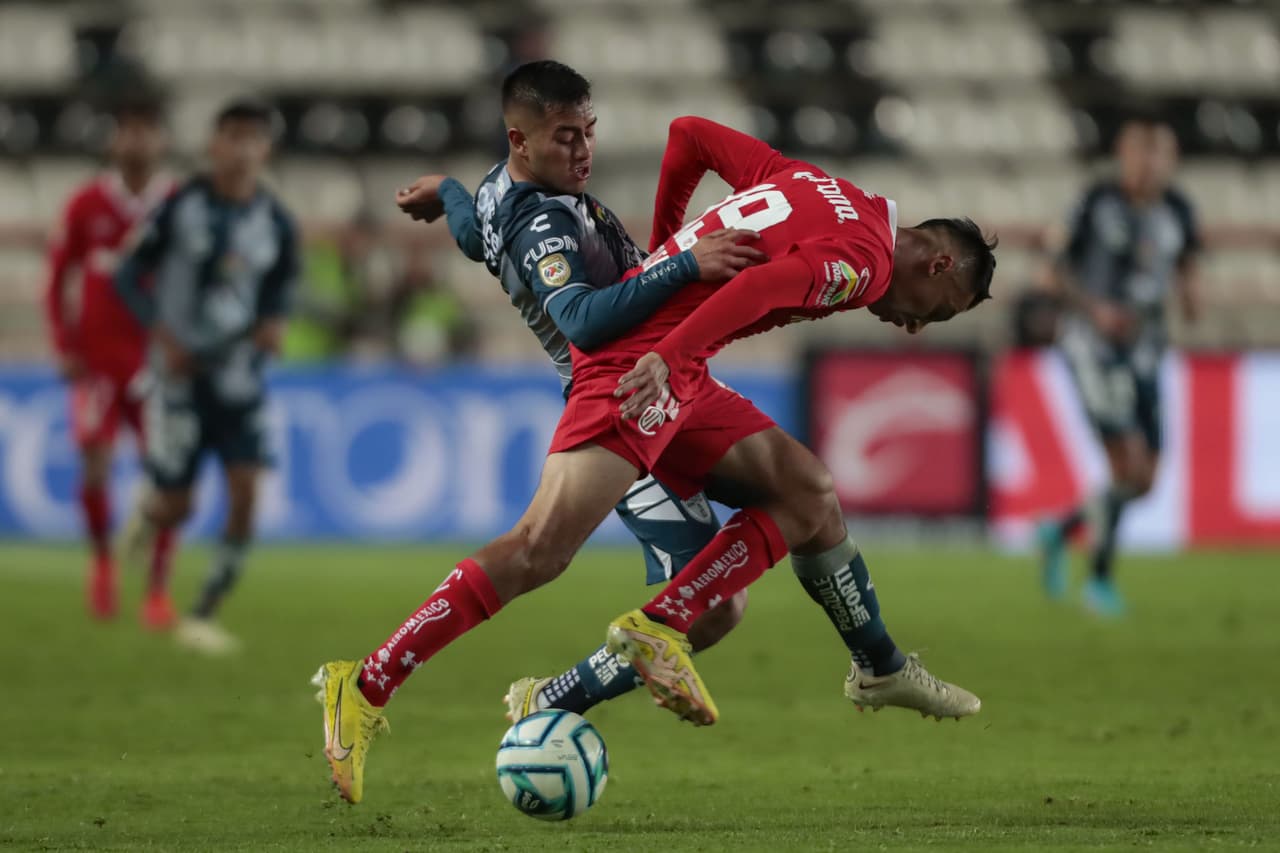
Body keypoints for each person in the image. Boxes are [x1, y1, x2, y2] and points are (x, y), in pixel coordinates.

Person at [315, 107, 994, 805]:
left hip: (675, 364)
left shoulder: (821, 187)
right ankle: (364, 683)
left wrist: (664, 251)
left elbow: (690, 133)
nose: (919, 326)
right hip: (641, 367)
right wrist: (670, 352)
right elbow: (758, 286)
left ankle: (869, 663)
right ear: (938, 264)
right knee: (538, 549)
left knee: (804, 493)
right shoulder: (865, 263)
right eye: (938, 310)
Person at [393, 60, 768, 726]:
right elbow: (582, 320)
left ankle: (544, 696)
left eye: (589, 131)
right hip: (620, 406)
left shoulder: (499, 189)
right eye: (566, 136)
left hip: (658, 393)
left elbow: (473, 236)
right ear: (520, 140)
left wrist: (448, 191)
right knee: (685, 596)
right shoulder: (542, 221)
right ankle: (411, 680)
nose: (583, 149)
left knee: (732, 575)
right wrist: (688, 264)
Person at [114, 98, 299, 654]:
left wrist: (273, 324)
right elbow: (128, 273)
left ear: (265, 150)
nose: (242, 149)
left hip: (238, 379)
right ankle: (148, 513)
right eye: (232, 136)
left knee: (245, 494)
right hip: (179, 377)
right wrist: (161, 334)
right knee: (179, 507)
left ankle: (203, 612)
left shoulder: (275, 221)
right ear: (213, 145)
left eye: (253, 138)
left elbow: (279, 288)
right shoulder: (180, 206)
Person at [1037, 119, 1201, 617]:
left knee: (1145, 480)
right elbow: (1052, 273)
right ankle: (1099, 581)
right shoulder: (1096, 201)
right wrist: (1096, 311)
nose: (1150, 165)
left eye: (1159, 154)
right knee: (1125, 464)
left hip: (1146, 349)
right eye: (1141, 153)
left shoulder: (1179, 208)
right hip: (1093, 348)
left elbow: (1186, 265)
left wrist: (1190, 298)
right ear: (1124, 156)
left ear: (1171, 160)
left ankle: (1061, 530)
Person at [43, 90, 180, 626]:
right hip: (98, 362)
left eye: (146, 130)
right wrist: (64, 343)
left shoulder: (177, 205)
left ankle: (158, 590)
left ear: (161, 141)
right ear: (113, 140)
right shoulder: (86, 204)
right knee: (95, 465)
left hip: (158, 364)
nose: (136, 140)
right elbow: (58, 277)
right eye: (128, 129)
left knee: (169, 476)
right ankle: (103, 561)